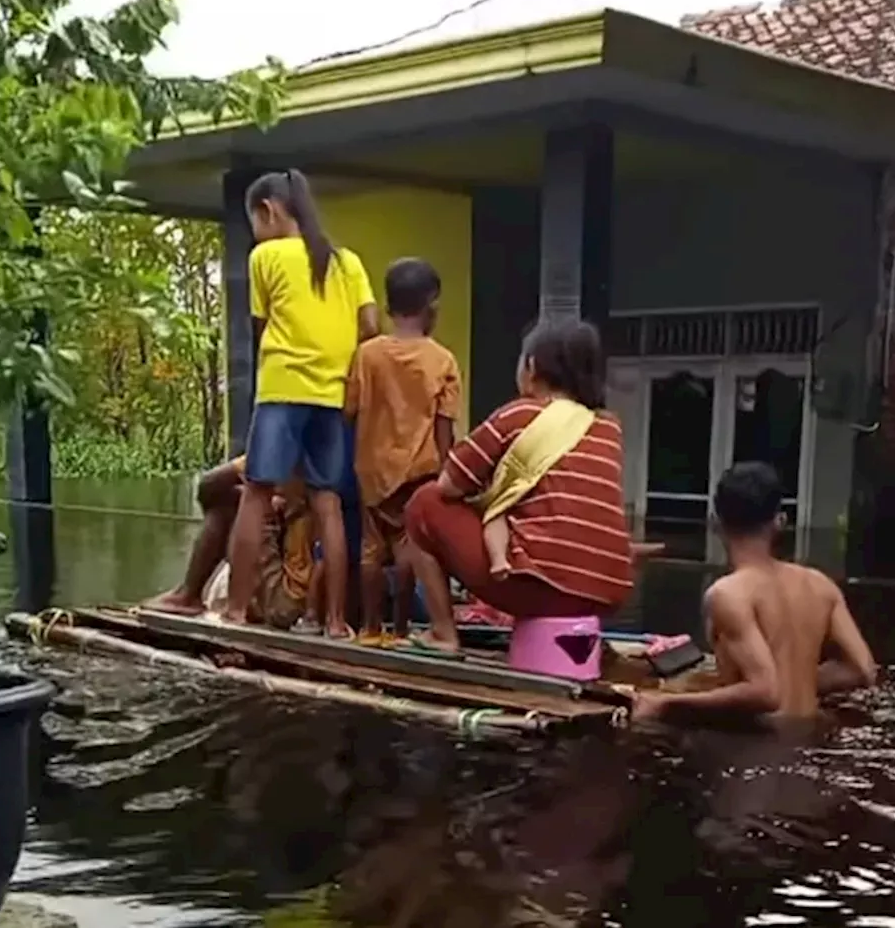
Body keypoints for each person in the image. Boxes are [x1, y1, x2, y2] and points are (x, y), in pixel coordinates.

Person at [402, 318, 634, 652]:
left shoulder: (519, 413)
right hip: (607, 594)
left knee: (423, 503)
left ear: (531, 367)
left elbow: (449, 487)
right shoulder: (608, 427)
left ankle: (442, 633)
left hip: (539, 587)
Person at [220, 169, 378, 639]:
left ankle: (234, 610)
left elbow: (259, 324)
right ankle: (333, 622)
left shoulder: (265, 255)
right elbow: (370, 326)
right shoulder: (346, 260)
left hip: (283, 390)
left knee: (255, 494)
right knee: (328, 502)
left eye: (256, 221)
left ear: (267, 210)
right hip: (330, 397)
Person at [632, 461, 877, 725]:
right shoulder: (820, 584)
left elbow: (765, 693)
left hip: (756, 746)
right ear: (780, 521)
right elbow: (863, 670)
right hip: (811, 735)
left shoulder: (728, 594)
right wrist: (799, 679)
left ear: (715, 523)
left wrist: (664, 704)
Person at [345, 258, 461, 644]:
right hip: (420, 471)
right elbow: (445, 426)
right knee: (410, 548)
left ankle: (370, 628)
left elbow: (350, 409)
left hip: (371, 469)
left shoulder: (367, 355)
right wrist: (450, 475)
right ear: (431, 304)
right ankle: (401, 629)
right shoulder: (442, 360)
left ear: (389, 304)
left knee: (370, 551)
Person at [141, 457, 312, 626]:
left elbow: (208, 485)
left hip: (287, 605)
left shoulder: (282, 449)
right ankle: (195, 596)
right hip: (310, 601)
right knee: (248, 500)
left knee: (239, 503)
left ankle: (199, 599)